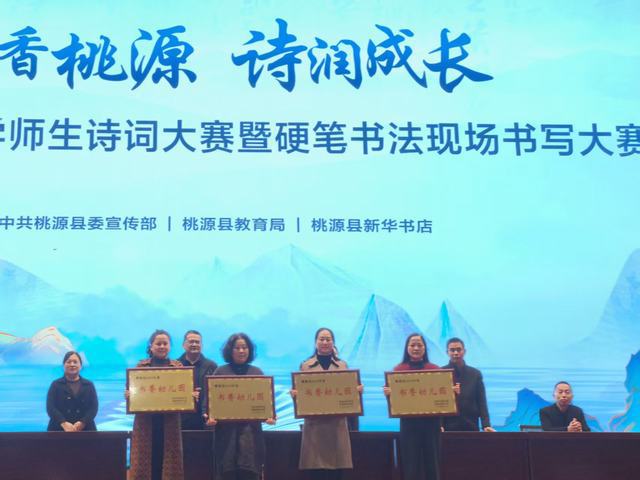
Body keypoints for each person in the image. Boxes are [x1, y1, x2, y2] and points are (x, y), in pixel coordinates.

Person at [127, 329, 200, 480]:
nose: (162, 347)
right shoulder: (141, 367)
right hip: (145, 423)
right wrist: (129, 395)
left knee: (168, 461)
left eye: (165, 344)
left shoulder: (177, 367)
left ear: (169, 346)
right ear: (151, 346)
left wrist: (191, 396)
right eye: (158, 344)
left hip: (170, 422)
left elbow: (185, 392)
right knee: (145, 462)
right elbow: (133, 393)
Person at [292, 327, 362, 480]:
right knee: (316, 473)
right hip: (315, 429)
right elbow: (301, 396)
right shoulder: (305, 366)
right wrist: (295, 396)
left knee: (336, 473)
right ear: (315, 342)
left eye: (328, 339)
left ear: (333, 343)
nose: (325, 342)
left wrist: (356, 392)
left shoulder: (342, 366)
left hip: (336, 427)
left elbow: (348, 394)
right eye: (321, 339)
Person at [206, 333, 275, 480]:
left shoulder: (257, 373)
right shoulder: (220, 372)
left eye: (244, 347)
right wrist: (209, 416)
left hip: (251, 438)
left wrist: (269, 416)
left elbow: (266, 404)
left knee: (250, 473)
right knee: (226, 473)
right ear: (230, 350)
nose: (241, 351)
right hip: (226, 438)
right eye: (237, 348)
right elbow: (209, 403)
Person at [383, 333, 441, 480]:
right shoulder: (398, 370)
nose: (416, 348)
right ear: (407, 348)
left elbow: (443, 395)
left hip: (431, 423)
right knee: (410, 464)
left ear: (425, 348)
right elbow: (395, 400)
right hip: (409, 423)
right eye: (412, 345)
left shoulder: (435, 369)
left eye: (419, 345)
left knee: (432, 463)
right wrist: (389, 394)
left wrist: (452, 392)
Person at [441, 337, 495, 432]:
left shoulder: (475, 374)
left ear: (464, 351)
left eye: (458, 350)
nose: (456, 353)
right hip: (447, 426)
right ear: (447, 352)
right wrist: (439, 425)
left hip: (471, 424)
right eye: (452, 350)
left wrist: (486, 424)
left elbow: (481, 401)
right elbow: (438, 404)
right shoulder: (441, 373)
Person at [46, 351, 98, 432]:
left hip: (86, 429)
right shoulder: (56, 385)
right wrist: (63, 423)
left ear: (80, 366)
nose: (72, 364)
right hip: (59, 429)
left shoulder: (88, 385)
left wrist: (82, 422)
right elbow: (50, 407)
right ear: (64, 365)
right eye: (69, 362)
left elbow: (94, 408)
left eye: (75, 362)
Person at [178, 329, 217, 430]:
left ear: (201, 345)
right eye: (191, 342)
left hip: (206, 420)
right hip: (180, 420)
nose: (194, 344)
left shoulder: (211, 366)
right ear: (183, 345)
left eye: (197, 342)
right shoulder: (175, 366)